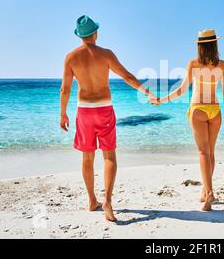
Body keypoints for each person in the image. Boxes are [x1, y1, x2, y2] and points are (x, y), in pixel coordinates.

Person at [60, 15, 158, 222]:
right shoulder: (106, 54)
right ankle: (108, 202)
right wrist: (146, 91)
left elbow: (65, 88)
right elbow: (126, 75)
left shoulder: (71, 57)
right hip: (104, 108)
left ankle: (91, 200)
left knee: (87, 157)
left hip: (84, 110)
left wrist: (63, 113)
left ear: (80, 36)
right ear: (95, 33)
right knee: (109, 156)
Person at [159, 29, 224, 211]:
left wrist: (162, 100)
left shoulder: (193, 63)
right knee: (211, 152)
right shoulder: (223, 64)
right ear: (215, 44)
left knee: (203, 153)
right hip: (215, 111)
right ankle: (206, 191)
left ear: (199, 46)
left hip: (198, 109)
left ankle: (208, 193)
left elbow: (182, 90)